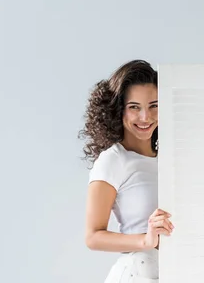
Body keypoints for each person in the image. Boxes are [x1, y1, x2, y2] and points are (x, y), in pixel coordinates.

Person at [79, 60, 174, 283]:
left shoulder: (169, 159)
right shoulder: (114, 160)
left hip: (174, 271)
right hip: (138, 274)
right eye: (134, 107)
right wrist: (145, 240)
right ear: (117, 109)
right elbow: (93, 237)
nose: (145, 117)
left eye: (154, 105)